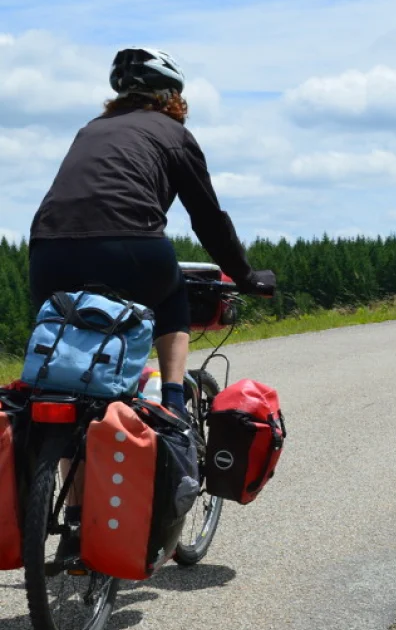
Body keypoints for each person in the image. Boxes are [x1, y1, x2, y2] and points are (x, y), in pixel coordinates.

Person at [29, 47, 267, 418]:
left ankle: (61, 457)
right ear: (172, 97)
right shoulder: (173, 134)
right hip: (131, 246)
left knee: (67, 391)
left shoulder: (90, 129)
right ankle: (174, 404)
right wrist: (245, 276)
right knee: (173, 299)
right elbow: (207, 219)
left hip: (48, 251)